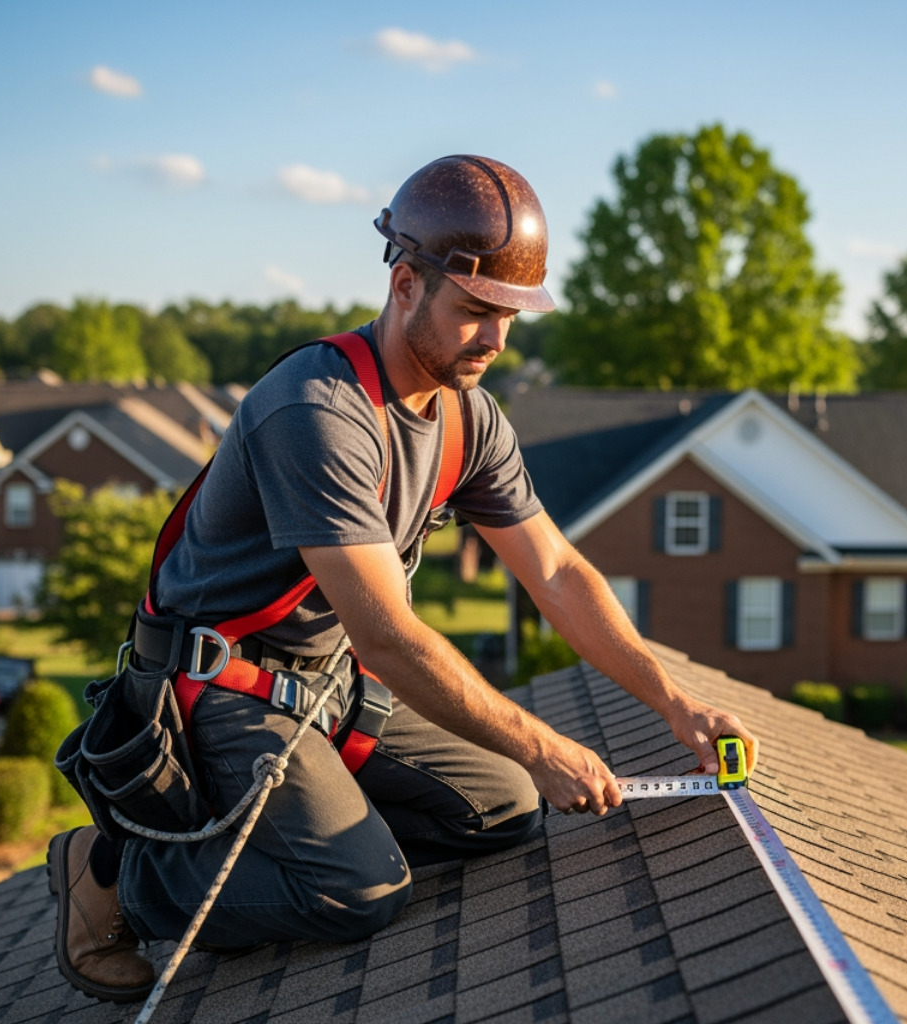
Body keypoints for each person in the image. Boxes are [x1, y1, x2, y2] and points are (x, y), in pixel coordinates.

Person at [47, 154, 758, 1003]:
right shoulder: (317, 411)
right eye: (476, 312)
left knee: (503, 808)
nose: (496, 341)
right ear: (405, 284)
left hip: (323, 684)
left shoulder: (469, 419)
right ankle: (115, 876)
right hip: (219, 686)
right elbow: (387, 635)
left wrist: (676, 704)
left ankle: (310, 835)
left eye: (511, 318)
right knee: (358, 889)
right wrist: (544, 745)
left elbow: (559, 572)